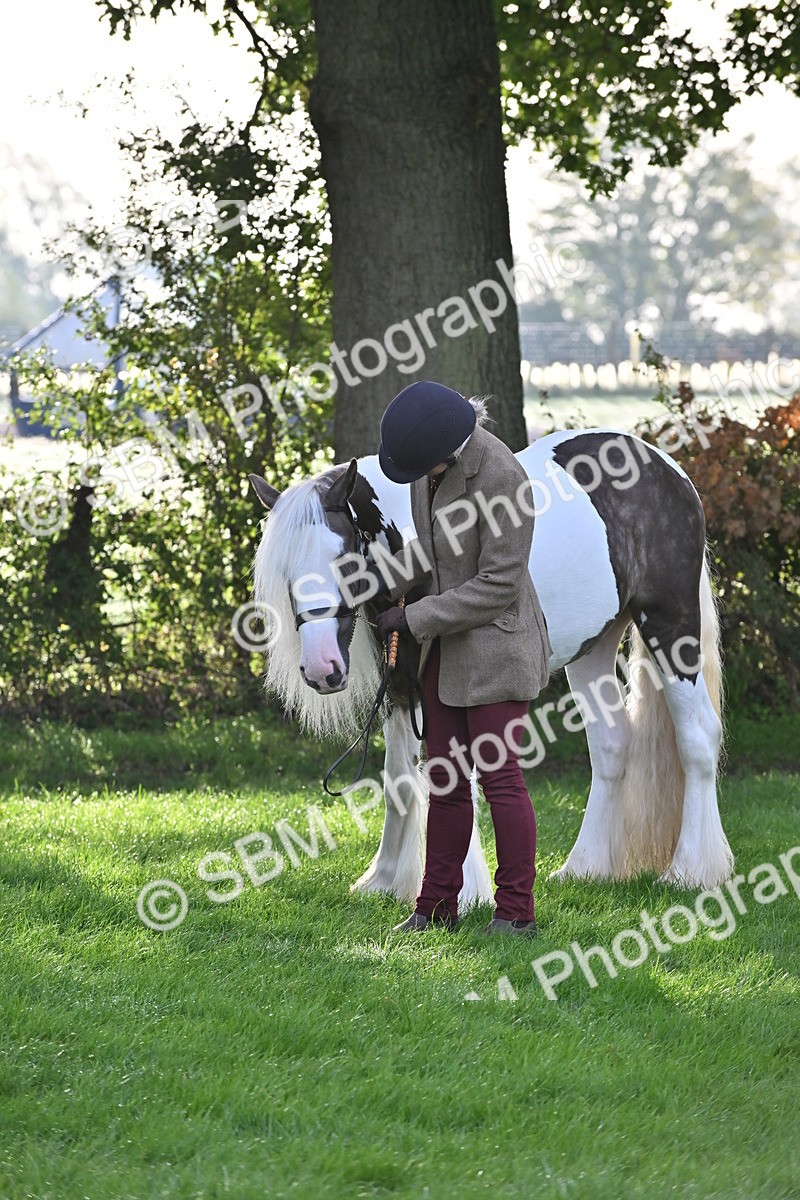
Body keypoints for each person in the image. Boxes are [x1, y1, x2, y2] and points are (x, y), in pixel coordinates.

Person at [371, 380, 552, 936]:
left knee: (500, 781)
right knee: (445, 781)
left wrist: (414, 618)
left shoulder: (504, 479)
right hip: (446, 654)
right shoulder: (430, 470)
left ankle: (516, 913)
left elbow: (499, 584)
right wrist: (375, 588)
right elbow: (428, 553)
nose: (420, 481)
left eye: (424, 470)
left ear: (450, 452)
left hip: (499, 648)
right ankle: (434, 908)